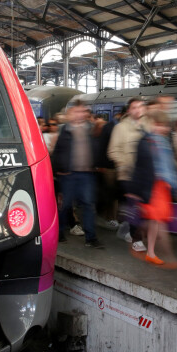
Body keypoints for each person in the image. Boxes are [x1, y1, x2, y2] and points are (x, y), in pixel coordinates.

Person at [130, 110, 177, 267]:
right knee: (155, 219)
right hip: (150, 187)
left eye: (164, 126)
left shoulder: (163, 142)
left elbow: (170, 166)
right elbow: (139, 167)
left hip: (161, 187)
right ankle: (166, 254)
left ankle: (150, 252)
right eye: (159, 125)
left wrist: (175, 184)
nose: (163, 128)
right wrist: (136, 190)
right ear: (153, 124)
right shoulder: (146, 142)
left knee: (156, 220)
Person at [51, 99, 104, 249]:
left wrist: (98, 164)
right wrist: (56, 171)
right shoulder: (63, 130)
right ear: (70, 113)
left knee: (88, 205)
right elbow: (56, 152)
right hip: (67, 174)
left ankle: (91, 238)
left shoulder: (91, 129)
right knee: (65, 206)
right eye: (77, 111)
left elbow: (98, 148)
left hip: (87, 174)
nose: (80, 114)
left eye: (83, 111)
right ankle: (59, 233)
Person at [108, 97, 148, 252]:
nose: (138, 110)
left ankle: (129, 231)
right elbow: (112, 151)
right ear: (129, 110)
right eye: (134, 107)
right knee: (134, 205)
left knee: (141, 207)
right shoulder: (120, 128)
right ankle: (136, 238)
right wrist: (124, 164)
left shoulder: (147, 125)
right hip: (128, 174)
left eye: (140, 106)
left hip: (145, 174)